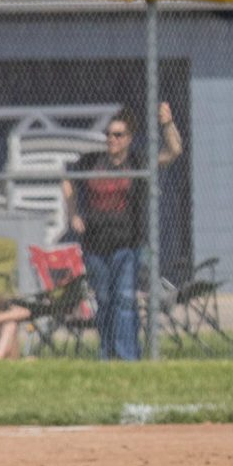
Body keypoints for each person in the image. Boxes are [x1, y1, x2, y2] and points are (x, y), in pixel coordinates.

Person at [62, 103, 183, 360]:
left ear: (128, 138)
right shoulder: (93, 160)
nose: (112, 139)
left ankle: (129, 356)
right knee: (104, 302)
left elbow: (173, 152)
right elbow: (67, 179)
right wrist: (73, 214)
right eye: (108, 134)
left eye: (118, 135)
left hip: (127, 245)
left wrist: (167, 124)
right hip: (95, 246)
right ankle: (108, 355)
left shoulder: (137, 161)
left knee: (125, 301)